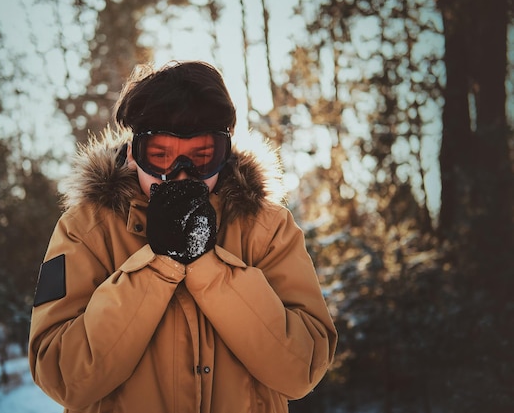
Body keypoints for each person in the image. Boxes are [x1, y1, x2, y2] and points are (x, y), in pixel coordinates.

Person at [29, 60, 337, 413]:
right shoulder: (86, 230)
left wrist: (208, 266)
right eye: (160, 155)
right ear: (133, 155)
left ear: (224, 156)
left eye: (202, 156)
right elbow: (60, 375)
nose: (180, 174)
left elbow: (302, 369)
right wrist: (158, 265)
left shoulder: (266, 229)